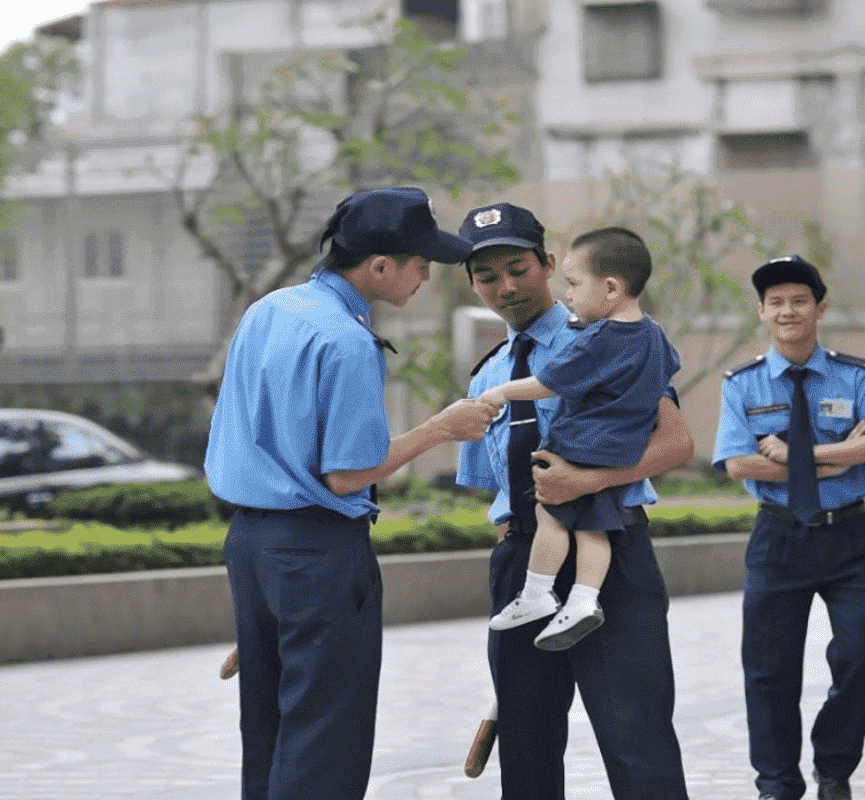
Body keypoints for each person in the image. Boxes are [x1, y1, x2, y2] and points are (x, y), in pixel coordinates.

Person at [205, 186, 496, 800]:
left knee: (269, 728)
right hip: (316, 550)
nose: (426, 277)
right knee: (324, 738)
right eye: (421, 264)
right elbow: (346, 475)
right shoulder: (346, 341)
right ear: (381, 266)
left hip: (251, 545)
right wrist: (442, 428)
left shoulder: (268, 310)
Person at [456, 202, 693, 800]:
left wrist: (589, 482)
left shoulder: (612, 337)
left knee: (636, 736)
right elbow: (495, 490)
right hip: (525, 561)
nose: (506, 287)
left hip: (608, 550)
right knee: (527, 748)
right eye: (487, 277)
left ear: (548, 264)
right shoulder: (487, 376)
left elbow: (676, 443)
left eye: (518, 269)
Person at [712, 255, 865, 800]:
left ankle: (833, 766)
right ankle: (777, 785)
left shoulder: (855, 375)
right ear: (762, 312)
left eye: (799, 300)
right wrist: (838, 459)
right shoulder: (742, 384)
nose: (787, 311)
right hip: (779, 538)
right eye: (775, 302)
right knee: (769, 674)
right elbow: (737, 463)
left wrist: (803, 454)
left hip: (849, 539)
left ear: (820, 309)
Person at [477, 227, 680, 651]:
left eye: (573, 283)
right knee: (592, 528)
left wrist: (501, 394)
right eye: (487, 276)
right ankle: (582, 600)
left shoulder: (594, 340)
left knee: (552, 512)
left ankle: (539, 592)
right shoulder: (654, 335)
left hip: (586, 458)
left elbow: (548, 383)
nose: (568, 294)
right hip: (539, 525)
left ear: (611, 288)